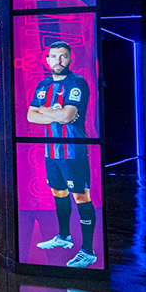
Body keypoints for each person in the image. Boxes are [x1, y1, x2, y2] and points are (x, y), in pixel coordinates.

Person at [28, 41, 97, 267]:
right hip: (51, 150)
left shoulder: (77, 83)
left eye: (63, 56)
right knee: (58, 192)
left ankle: (88, 251)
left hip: (74, 150)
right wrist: (54, 113)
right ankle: (64, 237)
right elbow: (30, 116)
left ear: (70, 59)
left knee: (81, 196)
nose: (58, 60)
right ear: (47, 59)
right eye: (54, 56)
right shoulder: (43, 85)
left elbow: (68, 116)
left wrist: (44, 111)